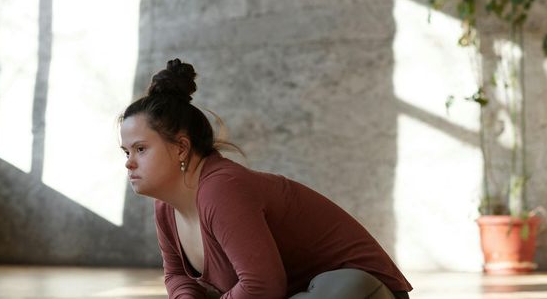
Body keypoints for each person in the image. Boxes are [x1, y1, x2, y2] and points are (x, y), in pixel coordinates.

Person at [118, 58, 412, 299]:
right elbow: (177, 276)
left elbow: (261, 287)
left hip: (360, 291)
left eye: (141, 149)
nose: (129, 162)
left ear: (181, 147)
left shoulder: (221, 188)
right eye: (126, 151)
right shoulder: (166, 206)